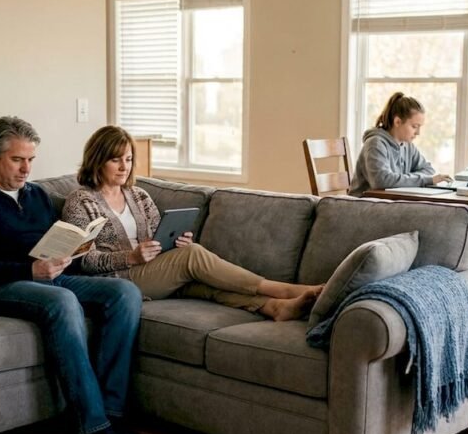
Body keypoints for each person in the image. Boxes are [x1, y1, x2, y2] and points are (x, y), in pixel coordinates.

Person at [0, 116, 142, 434]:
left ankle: (112, 410)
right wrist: (28, 270)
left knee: (124, 294)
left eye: (31, 159)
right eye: (17, 160)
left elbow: (55, 243)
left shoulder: (37, 196)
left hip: (48, 278)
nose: (26, 169)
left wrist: (72, 254)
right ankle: (92, 423)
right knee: (63, 300)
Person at [62, 125, 322, 322]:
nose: (124, 167)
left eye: (128, 159)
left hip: (151, 271)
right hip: (116, 280)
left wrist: (173, 243)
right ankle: (282, 290)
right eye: (115, 160)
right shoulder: (80, 201)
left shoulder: (139, 196)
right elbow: (83, 260)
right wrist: (130, 257)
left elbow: (157, 235)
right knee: (192, 256)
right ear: (97, 160)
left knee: (205, 283)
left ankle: (274, 307)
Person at [348, 92, 453, 197]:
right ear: (397, 122)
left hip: (389, 200)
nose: (418, 133)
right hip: (364, 202)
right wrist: (423, 180)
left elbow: (428, 170)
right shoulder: (375, 144)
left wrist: (402, 179)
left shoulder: (408, 145)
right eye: (414, 126)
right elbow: (381, 181)